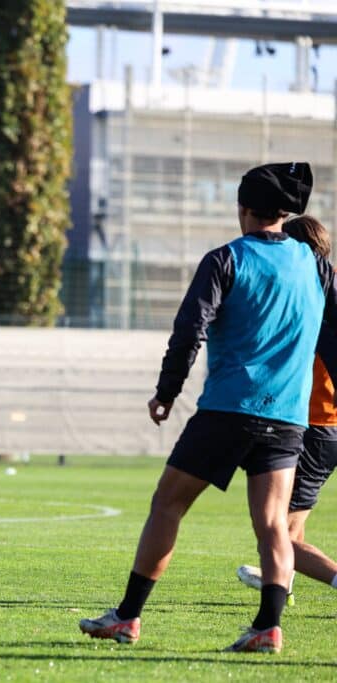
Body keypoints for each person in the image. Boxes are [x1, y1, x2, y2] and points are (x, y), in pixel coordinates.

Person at [78, 162, 337, 654]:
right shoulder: (316, 265)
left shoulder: (227, 258)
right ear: (285, 212)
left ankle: (128, 617)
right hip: (288, 417)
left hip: (228, 409)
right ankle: (266, 625)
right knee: (273, 524)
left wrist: (167, 390)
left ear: (243, 209)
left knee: (168, 503)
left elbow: (190, 328)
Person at [235, 215, 337, 600]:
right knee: (290, 527)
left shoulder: (307, 288)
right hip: (324, 425)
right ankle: (279, 579)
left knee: (274, 529)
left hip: (313, 423)